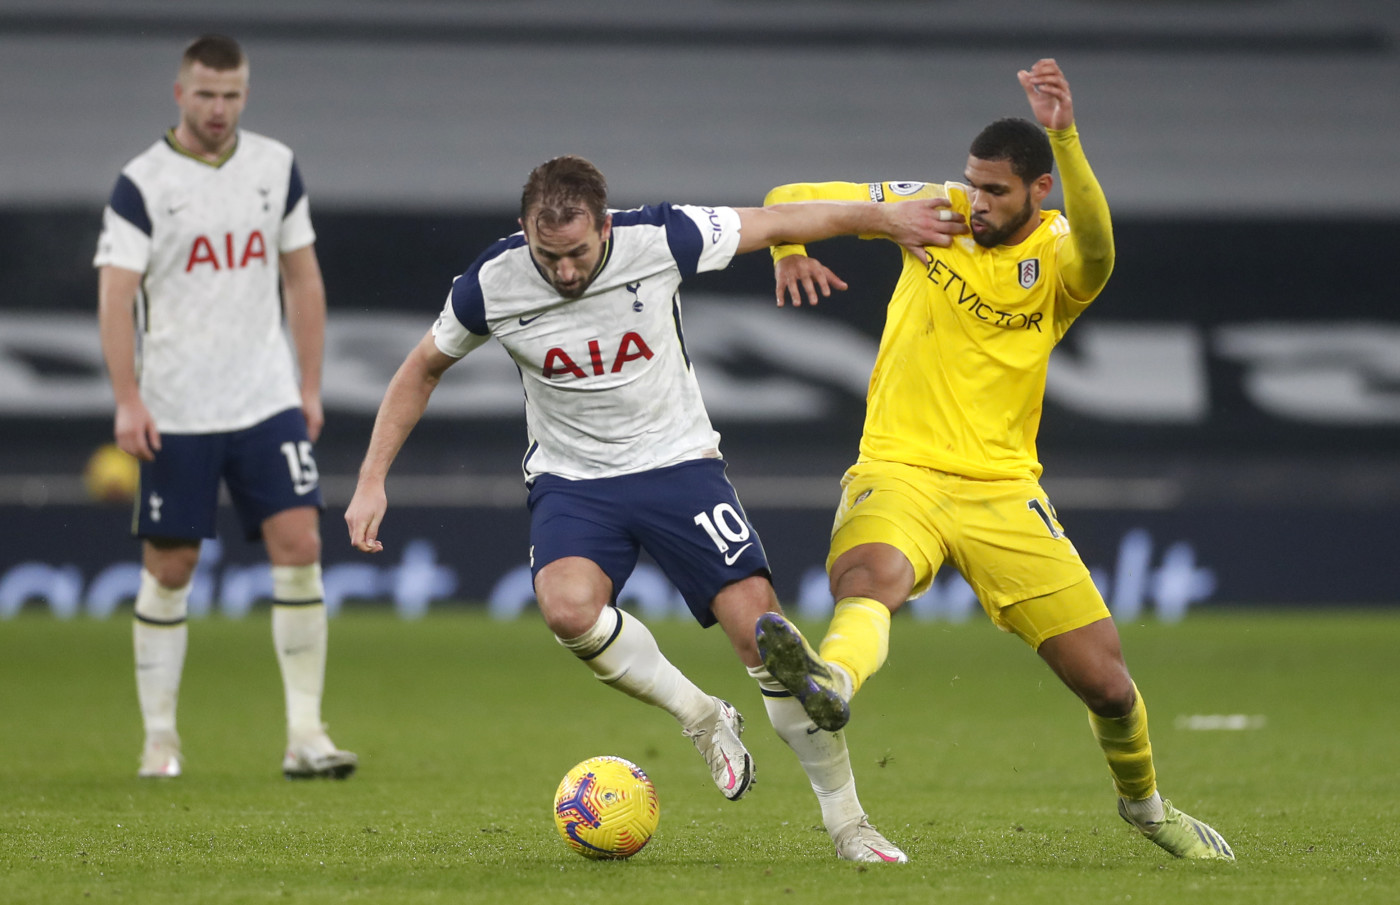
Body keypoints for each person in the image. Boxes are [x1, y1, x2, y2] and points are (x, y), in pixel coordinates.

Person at [344, 155, 964, 861]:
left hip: (678, 469)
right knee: (567, 608)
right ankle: (701, 716)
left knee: (764, 636)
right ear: (524, 232)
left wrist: (884, 219)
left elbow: (780, 220)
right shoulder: (491, 283)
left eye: (579, 252)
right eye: (550, 255)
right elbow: (421, 367)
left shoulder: (660, 237)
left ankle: (849, 824)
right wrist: (372, 479)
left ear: (604, 226)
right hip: (574, 482)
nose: (567, 270)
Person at [753, 59, 1235, 861]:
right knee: (870, 575)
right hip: (900, 466)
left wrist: (1065, 134)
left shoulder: (1061, 262)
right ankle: (831, 683)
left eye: (996, 191)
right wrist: (788, 251)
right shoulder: (930, 209)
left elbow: (1103, 246)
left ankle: (1146, 807)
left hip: (1004, 491)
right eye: (973, 185)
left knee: (1109, 684)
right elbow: (788, 200)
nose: (976, 202)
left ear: (1039, 191)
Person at [95, 34, 355, 780]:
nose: (219, 108)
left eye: (232, 94)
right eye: (206, 94)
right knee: (171, 564)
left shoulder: (275, 167)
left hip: (265, 398)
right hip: (176, 406)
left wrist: (308, 386)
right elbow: (116, 295)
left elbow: (303, 280)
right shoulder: (141, 182)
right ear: (180, 94)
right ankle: (160, 740)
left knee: (301, 545)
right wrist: (128, 398)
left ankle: (306, 732)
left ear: (245, 94)